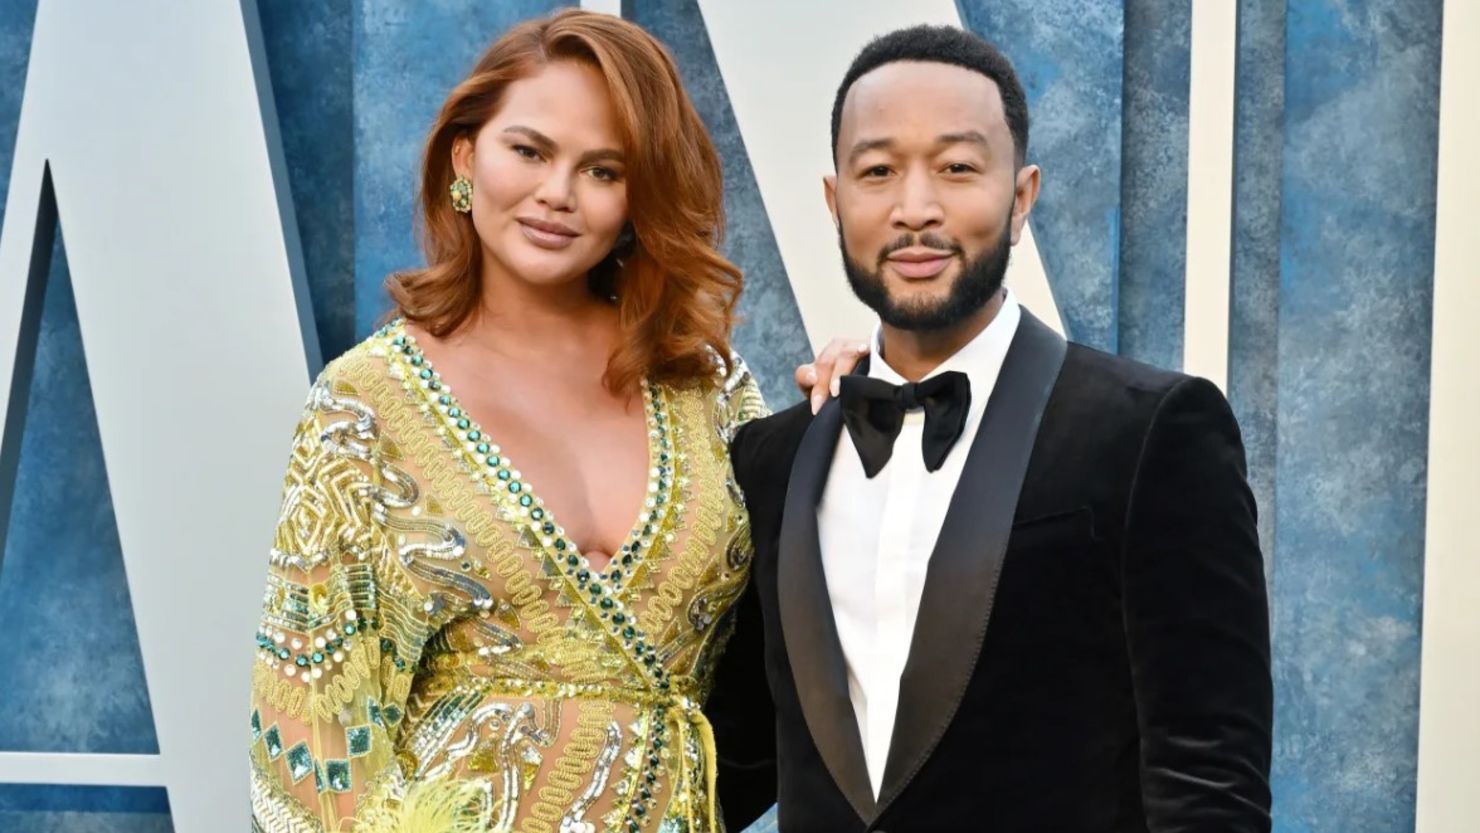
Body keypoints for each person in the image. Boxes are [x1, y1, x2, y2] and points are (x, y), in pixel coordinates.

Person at [247, 11, 855, 832]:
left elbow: (795, 647)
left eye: (603, 170)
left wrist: (842, 427)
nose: (557, 194)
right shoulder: (364, 405)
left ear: (637, 199)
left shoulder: (704, 387)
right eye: (528, 151)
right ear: (465, 157)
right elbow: (310, 746)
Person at [719, 24, 1274, 832]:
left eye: (957, 167)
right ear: (836, 203)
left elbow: (1209, 785)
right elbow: (732, 761)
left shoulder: (1152, 431)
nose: (916, 209)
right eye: (878, 171)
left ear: (1020, 198)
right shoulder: (773, 458)